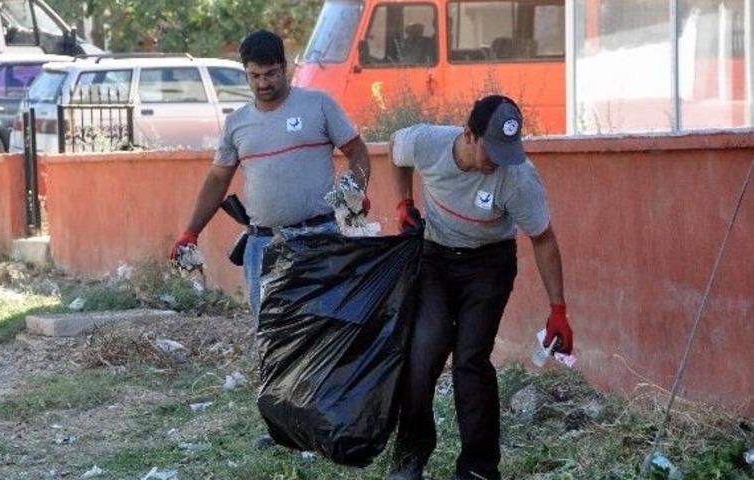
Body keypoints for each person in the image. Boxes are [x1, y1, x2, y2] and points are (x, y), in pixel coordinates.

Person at [386, 95, 574, 480]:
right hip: (436, 257)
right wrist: (403, 202)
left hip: (488, 266)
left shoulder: (517, 176)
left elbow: (543, 240)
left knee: (470, 361)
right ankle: (409, 457)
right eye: (493, 149)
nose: (500, 160)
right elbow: (394, 150)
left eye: (509, 149)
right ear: (469, 135)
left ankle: (478, 469)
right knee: (423, 353)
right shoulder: (428, 143)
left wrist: (558, 310)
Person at [168, 29, 371, 326]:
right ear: (246, 73)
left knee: (327, 325)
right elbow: (217, 180)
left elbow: (358, 152)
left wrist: (355, 192)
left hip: (320, 237)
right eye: (255, 76)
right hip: (263, 246)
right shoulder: (236, 123)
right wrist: (190, 232)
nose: (263, 83)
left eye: (271, 74)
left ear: (284, 67)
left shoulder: (318, 105)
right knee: (271, 331)